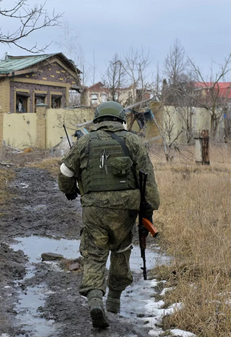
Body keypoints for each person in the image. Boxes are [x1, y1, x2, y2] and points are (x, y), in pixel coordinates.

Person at [58, 101, 160, 328]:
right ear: (120, 119)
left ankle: (95, 299)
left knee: (94, 255)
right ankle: (114, 300)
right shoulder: (134, 142)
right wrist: (148, 213)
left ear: (98, 120)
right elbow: (148, 182)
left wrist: (70, 191)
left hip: (95, 211)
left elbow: (65, 172)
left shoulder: (84, 142)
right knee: (122, 250)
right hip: (126, 211)